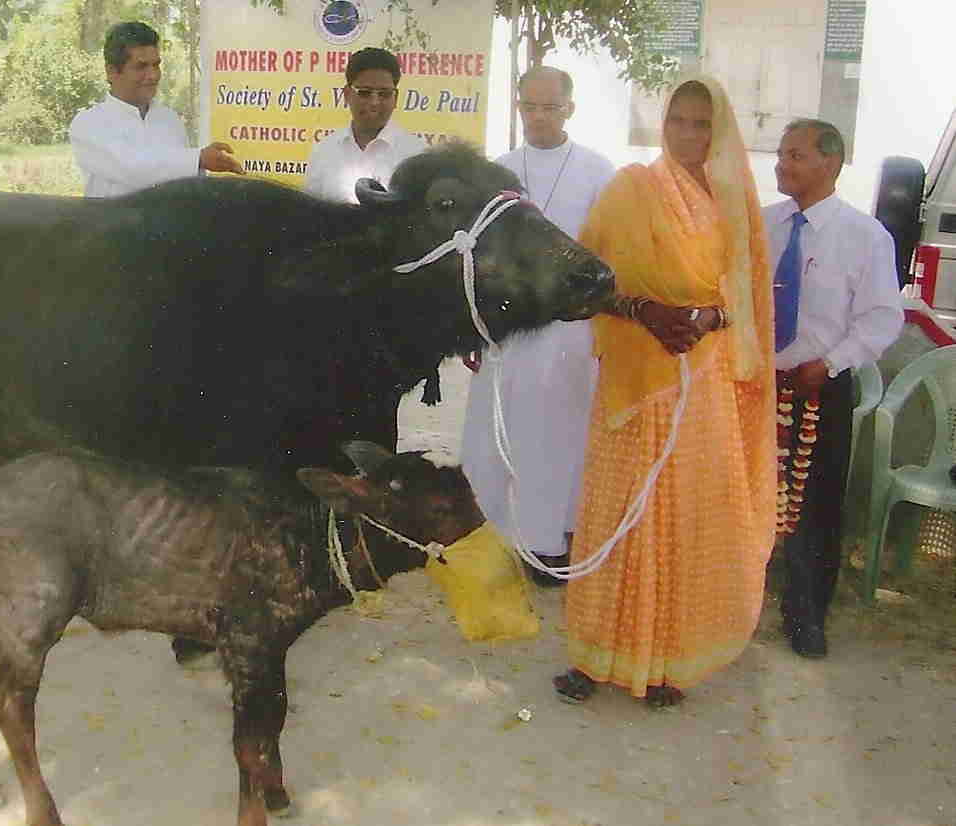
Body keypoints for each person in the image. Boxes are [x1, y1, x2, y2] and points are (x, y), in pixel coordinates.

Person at [553, 76, 775, 708]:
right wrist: (643, 309)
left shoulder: (736, 205)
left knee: (683, 518)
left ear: (721, 130)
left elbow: (746, 299)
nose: (688, 133)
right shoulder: (632, 190)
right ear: (662, 122)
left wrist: (704, 320)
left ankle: (666, 662)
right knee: (615, 517)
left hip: (701, 380)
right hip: (634, 378)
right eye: (678, 119)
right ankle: (594, 659)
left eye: (702, 123)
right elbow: (582, 283)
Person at [460, 66, 613, 585]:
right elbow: (480, 258)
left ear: (569, 108)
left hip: (569, 331)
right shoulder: (500, 171)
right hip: (508, 329)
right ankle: (495, 542)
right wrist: (473, 327)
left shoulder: (598, 172)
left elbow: (607, 255)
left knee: (555, 440)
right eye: (529, 106)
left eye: (549, 107)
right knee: (490, 440)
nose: (538, 117)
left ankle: (548, 546)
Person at [766, 118, 902, 659]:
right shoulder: (762, 224)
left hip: (820, 387)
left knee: (814, 504)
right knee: (750, 495)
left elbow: (881, 319)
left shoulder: (864, 236)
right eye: (780, 153)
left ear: (830, 163)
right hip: (759, 385)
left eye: (795, 155)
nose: (782, 164)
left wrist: (830, 363)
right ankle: (737, 604)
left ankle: (806, 615)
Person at [70, 21, 242, 197]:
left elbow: (184, 182)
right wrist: (197, 159)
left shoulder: (169, 119)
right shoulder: (89, 124)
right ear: (112, 71)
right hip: (113, 224)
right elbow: (130, 169)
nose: (153, 75)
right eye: (141, 66)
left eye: (156, 65)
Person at [304, 47, 426, 203]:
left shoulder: (417, 154)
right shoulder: (324, 151)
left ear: (395, 98)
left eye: (384, 94)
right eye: (365, 92)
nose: (374, 103)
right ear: (347, 94)